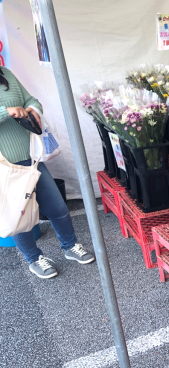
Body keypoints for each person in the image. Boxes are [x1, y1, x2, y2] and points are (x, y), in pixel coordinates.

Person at [0, 67, 94, 279]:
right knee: (19, 216)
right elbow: (10, 110)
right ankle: (34, 259)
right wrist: (7, 112)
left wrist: (32, 109)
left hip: (31, 157)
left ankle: (70, 246)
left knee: (57, 206)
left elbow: (30, 99)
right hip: (4, 165)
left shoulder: (5, 73)